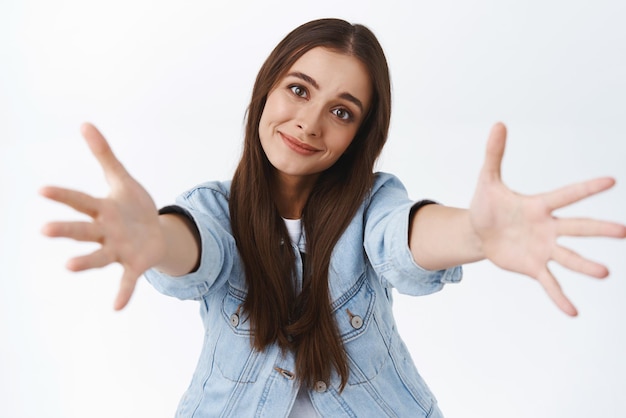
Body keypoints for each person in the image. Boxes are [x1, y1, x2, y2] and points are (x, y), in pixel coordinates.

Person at [39, 18, 626, 418]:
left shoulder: (374, 203)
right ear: (266, 92)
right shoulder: (215, 208)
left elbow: (402, 238)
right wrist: (156, 239)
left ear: (359, 137)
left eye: (341, 111)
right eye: (299, 90)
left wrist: (475, 232)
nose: (310, 123)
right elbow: (194, 246)